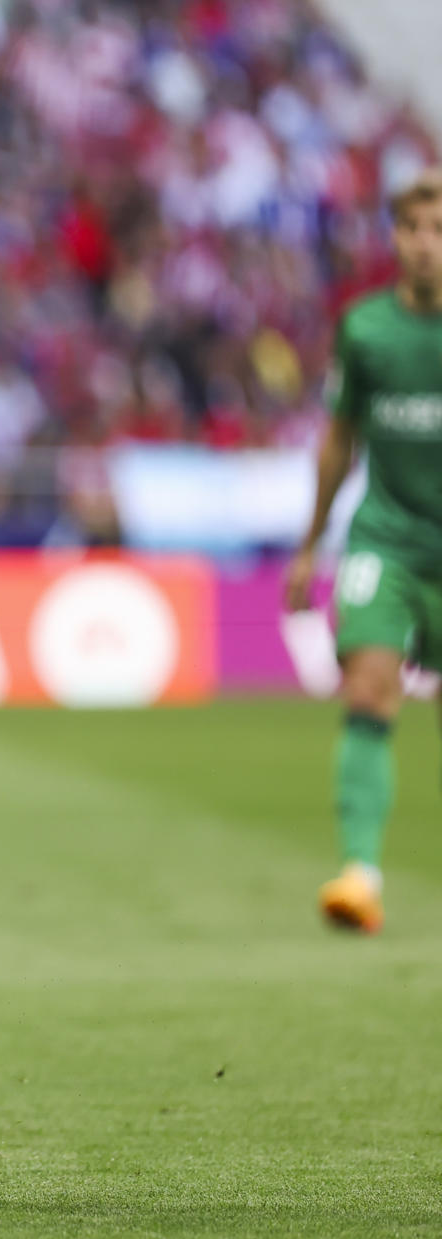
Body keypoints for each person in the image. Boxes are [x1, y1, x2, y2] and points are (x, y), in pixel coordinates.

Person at [287, 167, 442, 936]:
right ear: (395, 238)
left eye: (439, 232)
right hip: (386, 540)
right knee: (369, 687)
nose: (426, 246)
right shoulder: (366, 329)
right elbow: (338, 442)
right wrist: (311, 545)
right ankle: (360, 873)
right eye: (413, 230)